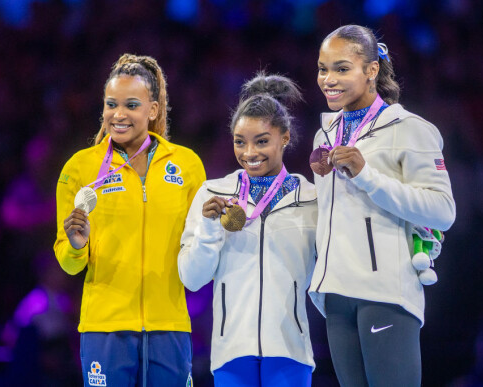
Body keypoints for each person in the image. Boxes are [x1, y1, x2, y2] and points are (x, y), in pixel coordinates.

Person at [308, 25, 456, 386]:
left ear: (371, 70)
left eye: (342, 68)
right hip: (335, 293)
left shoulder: (409, 128)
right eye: (323, 68)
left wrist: (366, 174)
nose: (329, 79)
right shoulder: (326, 135)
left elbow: (442, 210)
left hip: (385, 291)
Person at [54, 53, 206, 387]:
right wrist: (77, 246)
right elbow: (68, 262)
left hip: (170, 325)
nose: (118, 115)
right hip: (104, 327)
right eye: (111, 104)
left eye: (132, 105)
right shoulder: (79, 168)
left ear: (152, 110)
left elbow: (198, 246)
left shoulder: (186, 165)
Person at [178, 73, 317, 387]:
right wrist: (211, 228)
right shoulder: (212, 193)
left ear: (285, 136)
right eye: (240, 142)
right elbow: (192, 277)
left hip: (290, 351)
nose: (249, 152)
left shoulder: (311, 198)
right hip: (232, 353)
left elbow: (327, 274)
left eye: (262, 141)